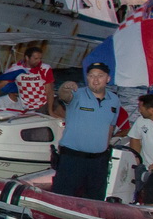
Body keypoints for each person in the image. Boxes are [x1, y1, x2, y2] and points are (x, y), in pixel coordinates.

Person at [50, 62, 121, 200]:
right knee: (62, 198)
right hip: (72, 159)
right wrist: (66, 86)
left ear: (108, 79)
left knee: (94, 200)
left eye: (100, 76)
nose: (95, 80)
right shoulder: (77, 95)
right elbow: (64, 95)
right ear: (87, 78)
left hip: (98, 162)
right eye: (91, 76)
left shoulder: (114, 100)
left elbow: (110, 126)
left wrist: (103, 149)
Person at [0, 47, 54, 114]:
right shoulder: (16, 69)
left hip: (44, 104)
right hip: (28, 107)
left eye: (40, 58)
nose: (39, 61)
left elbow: (49, 91)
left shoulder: (45, 68)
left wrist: (50, 111)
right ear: (27, 58)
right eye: (36, 59)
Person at [128, 94, 153, 204]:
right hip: (148, 170)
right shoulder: (141, 120)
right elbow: (135, 137)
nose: (138, 110)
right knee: (148, 198)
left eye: (140, 107)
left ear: (152, 110)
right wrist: (136, 157)